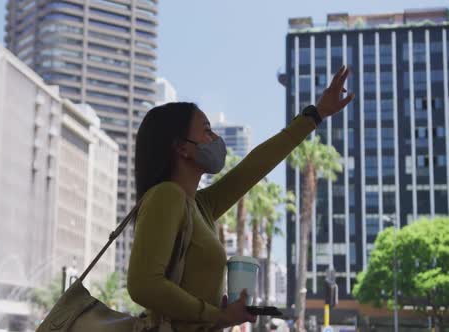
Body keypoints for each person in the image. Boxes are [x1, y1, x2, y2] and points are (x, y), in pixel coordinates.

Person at [127, 66, 354, 331]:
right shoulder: (166, 196)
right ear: (182, 148)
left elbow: (255, 166)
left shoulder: (200, 206)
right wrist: (215, 315)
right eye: (207, 131)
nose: (216, 139)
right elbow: (143, 285)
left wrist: (316, 114)